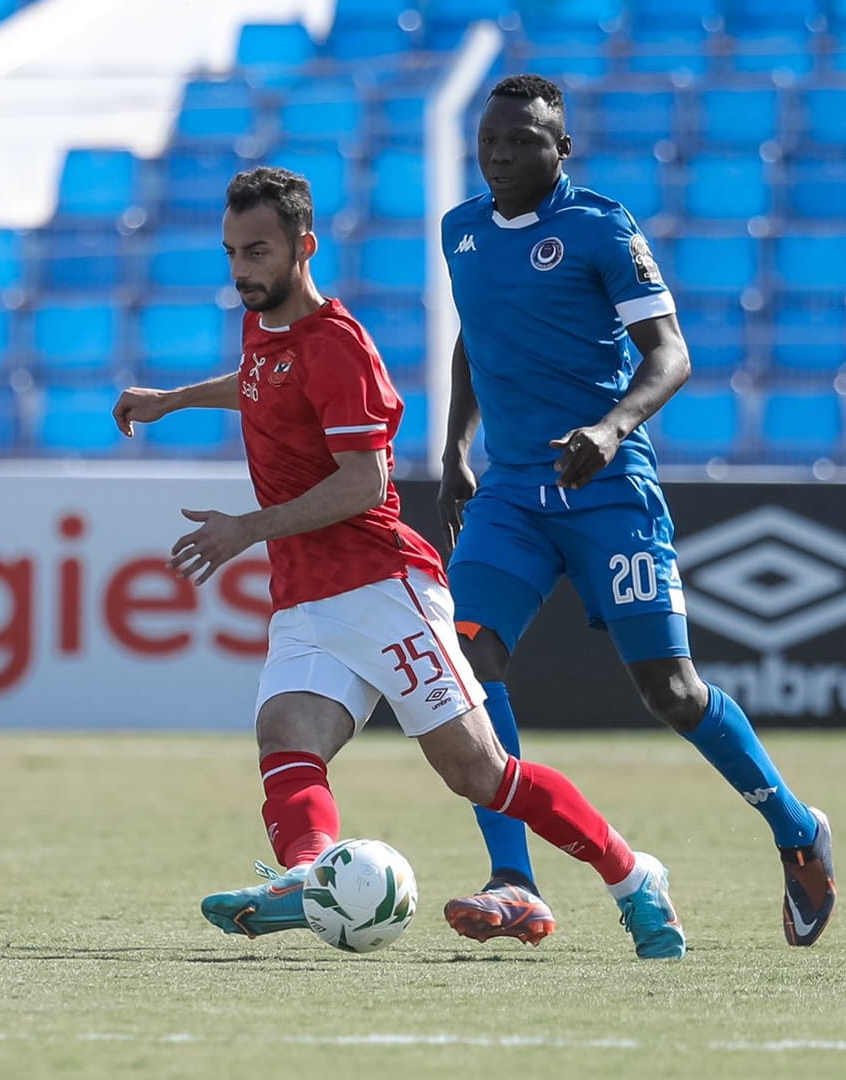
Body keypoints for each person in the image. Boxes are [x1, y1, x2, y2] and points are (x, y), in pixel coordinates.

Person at [110, 166, 686, 960]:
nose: (241, 269)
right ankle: (312, 881)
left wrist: (247, 527)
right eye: (232, 252)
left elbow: (365, 482)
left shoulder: (341, 347)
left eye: (258, 252)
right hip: (307, 596)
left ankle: (632, 876)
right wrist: (172, 400)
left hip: (384, 588)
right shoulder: (264, 327)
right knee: (286, 741)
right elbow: (261, 385)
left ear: (303, 248)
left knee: (481, 774)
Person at [435, 74, 832, 947]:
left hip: (607, 490)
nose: (500, 155)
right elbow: (476, 330)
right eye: (489, 141)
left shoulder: (601, 228)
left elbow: (672, 354)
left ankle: (798, 832)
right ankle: (514, 880)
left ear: (561, 148)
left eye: (522, 141)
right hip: (510, 494)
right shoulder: (460, 230)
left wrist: (613, 428)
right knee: (467, 662)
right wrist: (457, 447)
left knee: (672, 692)